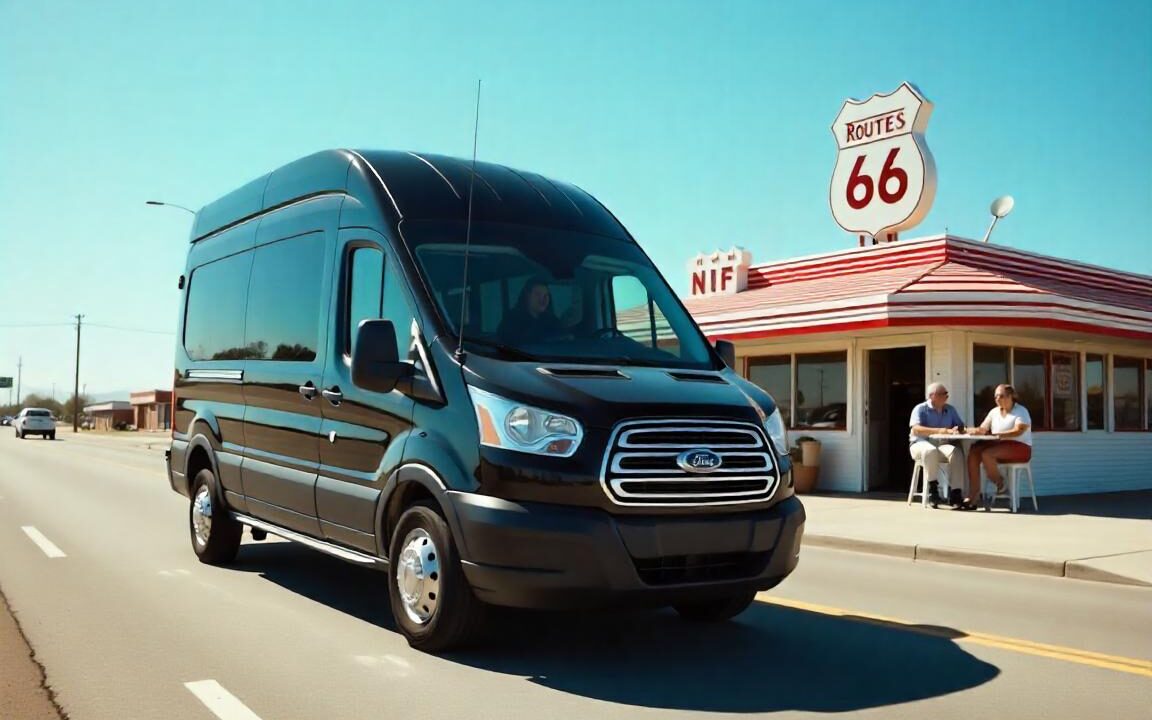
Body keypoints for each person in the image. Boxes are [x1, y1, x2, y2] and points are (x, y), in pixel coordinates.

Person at [962, 383, 1033, 510]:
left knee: (987, 454)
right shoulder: (994, 412)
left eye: (1001, 396)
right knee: (974, 451)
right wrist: (967, 430)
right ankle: (973, 496)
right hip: (999, 446)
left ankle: (1001, 484)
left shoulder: (1021, 411)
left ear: (1011, 396)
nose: (997, 399)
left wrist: (997, 435)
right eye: (995, 397)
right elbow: (983, 429)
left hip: (1020, 447)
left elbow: (1018, 431)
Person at [909, 382, 966, 508]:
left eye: (947, 394)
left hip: (942, 444)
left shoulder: (950, 409)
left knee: (956, 453)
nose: (946, 397)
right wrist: (939, 430)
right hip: (920, 443)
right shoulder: (920, 409)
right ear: (932, 396)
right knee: (930, 451)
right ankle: (932, 490)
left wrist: (959, 429)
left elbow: (961, 425)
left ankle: (956, 493)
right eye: (943, 394)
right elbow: (916, 429)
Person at [497, 278, 563, 344]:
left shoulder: (552, 319)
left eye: (546, 295)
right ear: (527, 296)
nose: (543, 299)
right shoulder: (511, 319)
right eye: (538, 294)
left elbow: (562, 338)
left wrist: (566, 326)